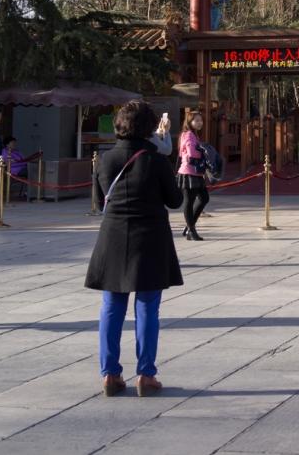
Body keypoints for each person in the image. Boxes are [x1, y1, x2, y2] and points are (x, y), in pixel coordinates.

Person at [85, 100, 183, 398]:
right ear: (148, 128)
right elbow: (175, 200)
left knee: (111, 305)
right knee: (147, 306)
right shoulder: (155, 160)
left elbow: (98, 201)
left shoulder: (105, 159)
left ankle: (110, 374)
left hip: (113, 236)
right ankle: (146, 374)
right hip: (150, 236)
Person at [177, 111, 210, 241]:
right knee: (189, 202)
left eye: (201, 120)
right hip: (188, 172)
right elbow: (191, 153)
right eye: (196, 120)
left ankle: (189, 226)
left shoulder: (193, 134)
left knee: (204, 198)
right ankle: (191, 230)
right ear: (189, 122)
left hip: (195, 172)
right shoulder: (189, 134)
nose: (200, 122)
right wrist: (204, 153)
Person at [1, 136, 29, 201]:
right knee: (30, 172)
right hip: (15, 170)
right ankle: (28, 192)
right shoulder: (5, 152)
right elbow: (9, 162)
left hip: (23, 167)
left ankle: (31, 192)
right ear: (7, 144)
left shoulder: (17, 151)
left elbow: (24, 159)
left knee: (33, 170)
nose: (14, 144)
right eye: (12, 142)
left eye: (14, 142)